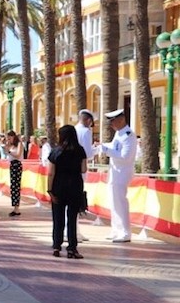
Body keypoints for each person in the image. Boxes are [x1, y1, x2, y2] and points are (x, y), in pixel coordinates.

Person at [96, 109, 137, 243]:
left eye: (113, 121)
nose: (111, 124)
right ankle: (116, 230)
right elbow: (115, 147)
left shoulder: (128, 135)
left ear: (121, 120)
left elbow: (125, 156)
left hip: (123, 173)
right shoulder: (119, 134)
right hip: (115, 172)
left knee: (120, 202)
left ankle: (125, 232)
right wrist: (103, 146)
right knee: (114, 203)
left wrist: (106, 150)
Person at [48, 125, 87, 258]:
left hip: (59, 187)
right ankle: (72, 248)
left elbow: (51, 173)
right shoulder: (80, 151)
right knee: (72, 218)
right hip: (75, 186)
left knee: (58, 218)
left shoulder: (55, 151)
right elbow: (83, 169)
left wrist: (50, 190)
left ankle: (56, 247)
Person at [5, 130, 23, 216]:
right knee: (13, 186)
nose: (9, 139)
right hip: (12, 164)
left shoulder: (19, 144)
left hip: (17, 164)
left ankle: (17, 207)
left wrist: (9, 151)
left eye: (10, 137)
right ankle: (15, 206)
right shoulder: (10, 146)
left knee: (16, 185)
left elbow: (18, 155)